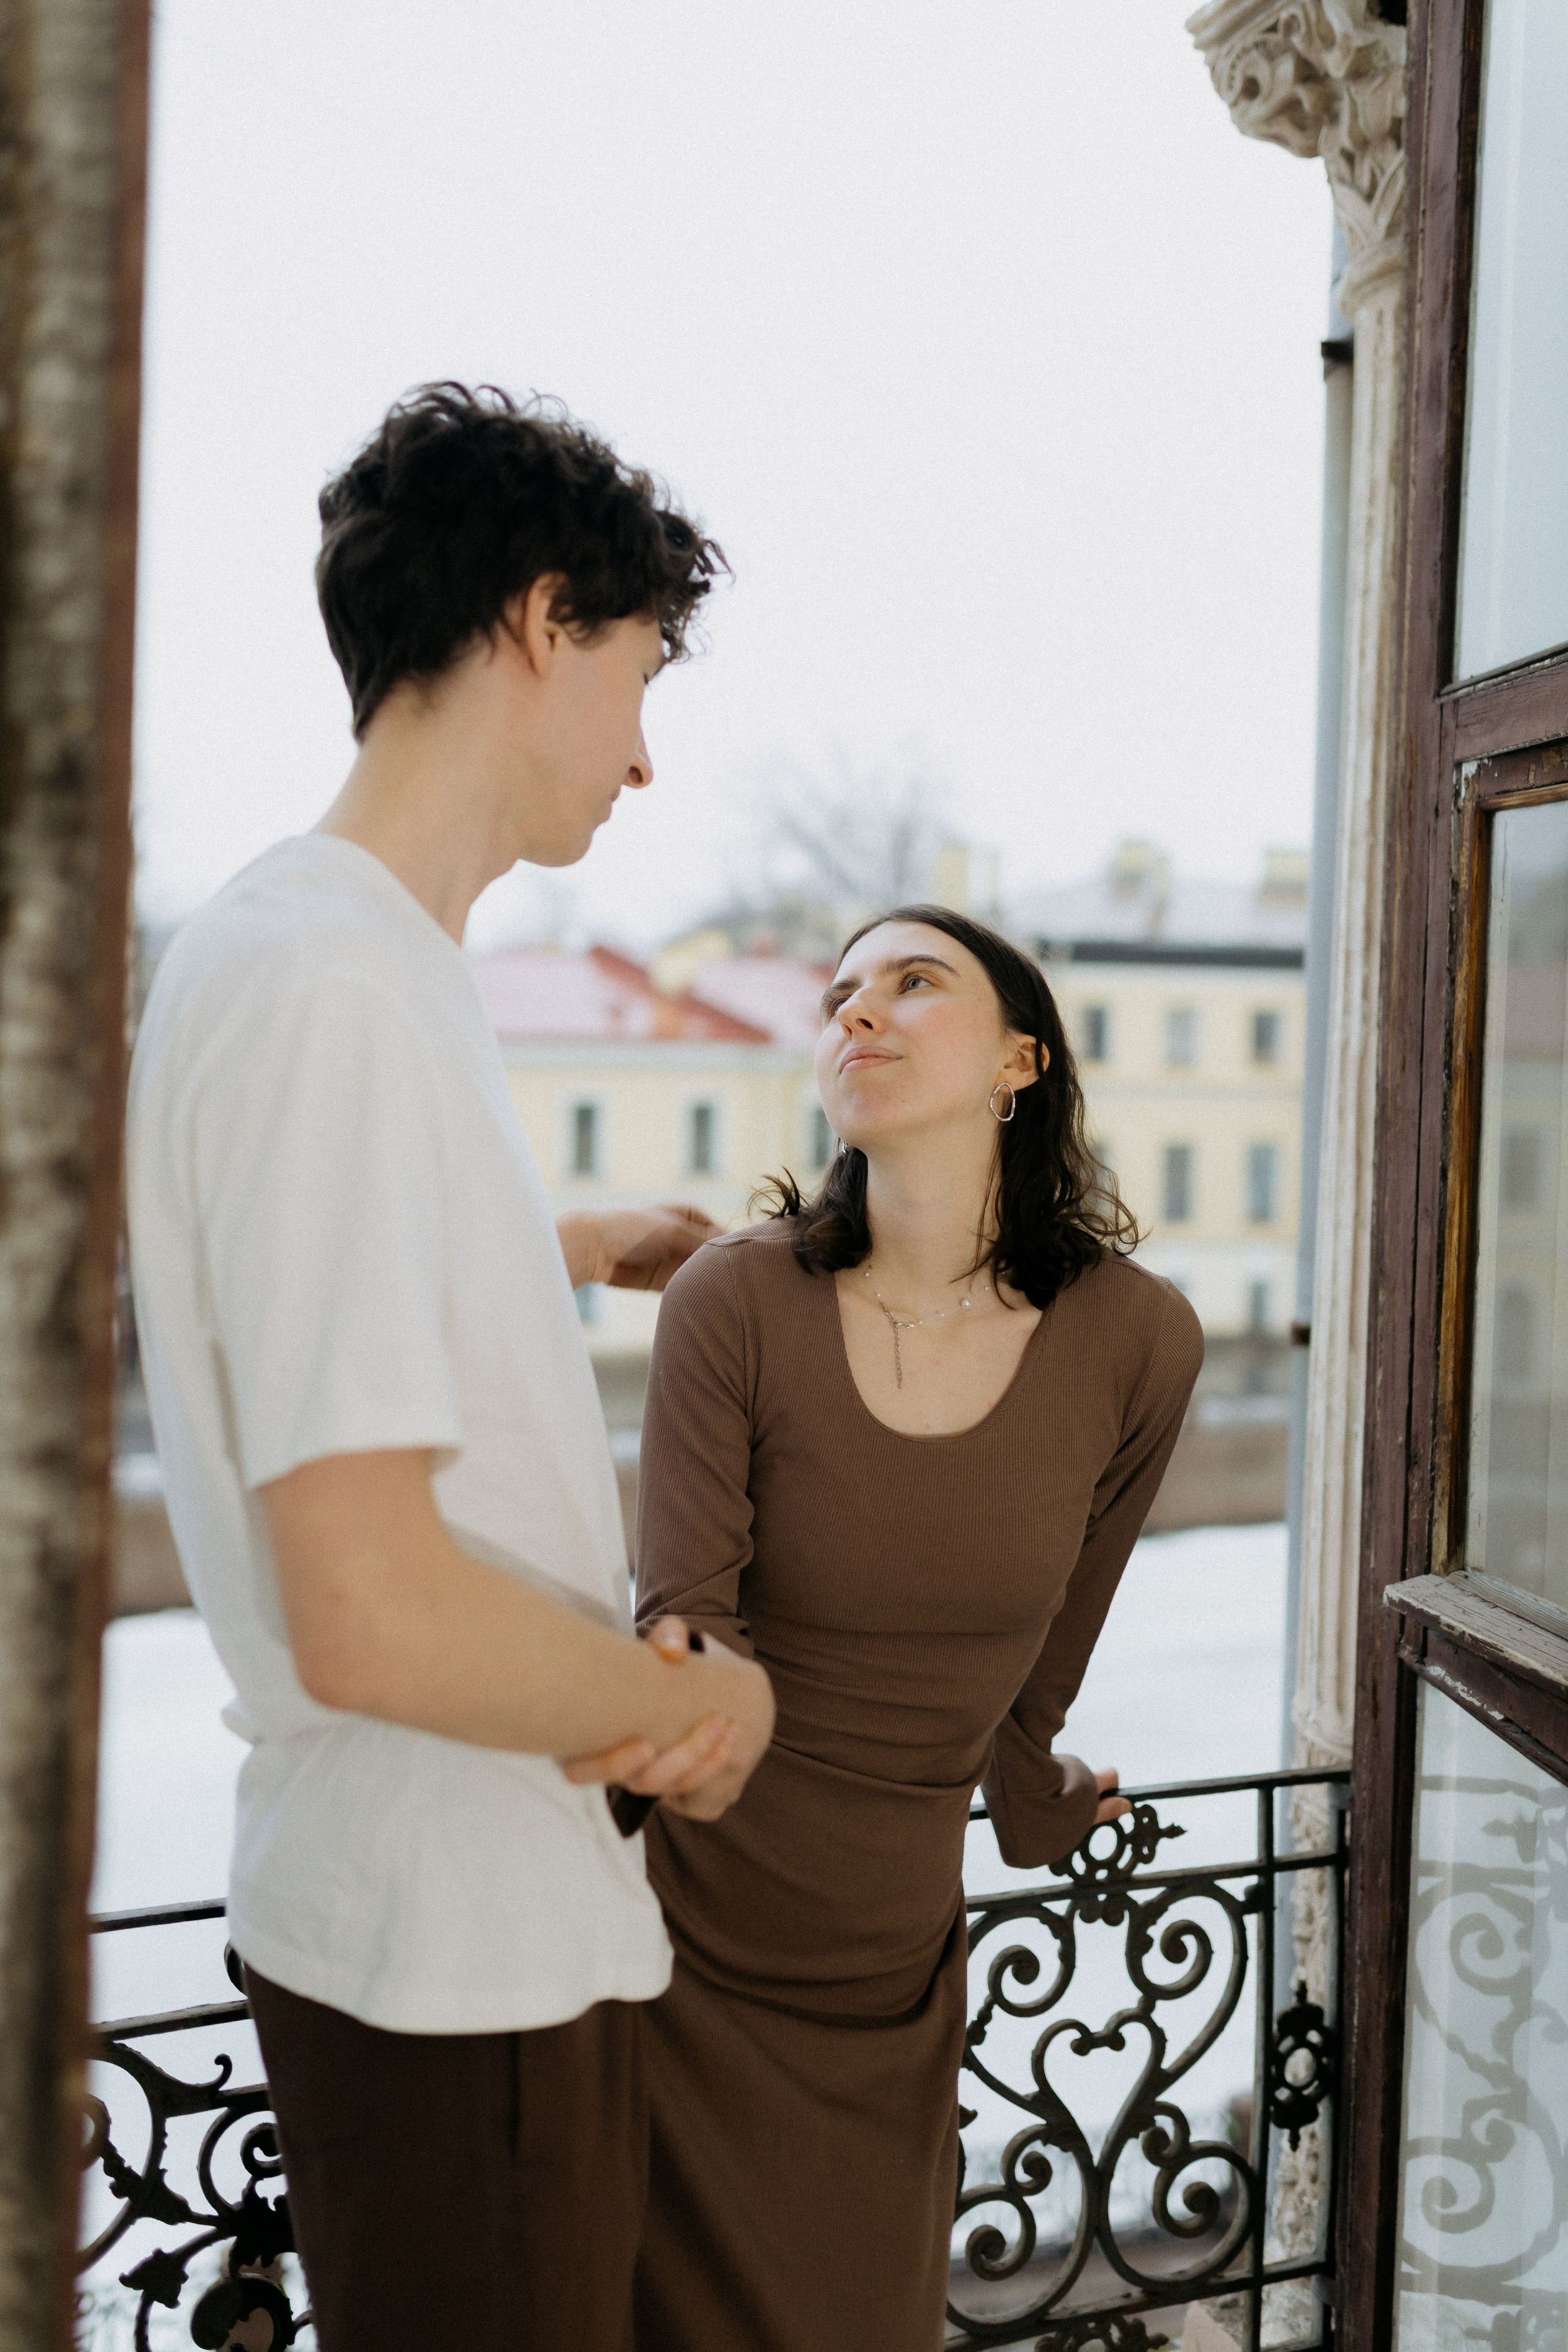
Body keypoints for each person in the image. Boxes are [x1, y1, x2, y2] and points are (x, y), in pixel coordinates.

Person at [124, 383, 775, 2352]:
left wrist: (561, 1249)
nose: (646, 760)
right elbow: (372, 1611)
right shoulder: (332, 990)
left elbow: (314, 1289)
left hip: (446, 1938)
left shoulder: (340, 959)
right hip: (454, 1959)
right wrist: (695, 1709)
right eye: (641, 674)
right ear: (536, 620)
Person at [629, 905, 1204, 2351]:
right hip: (670, 1962)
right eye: (836, 998)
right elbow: (680, 1639)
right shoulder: (733, 1302)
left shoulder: (1138, 1341)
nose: (857, 1013)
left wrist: (1046, 1801)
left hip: (889, 1986)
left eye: (910, 982)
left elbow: (1037, 1690)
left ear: (1021, 1058)